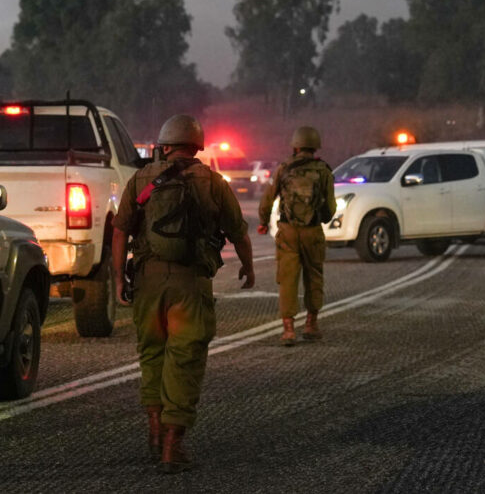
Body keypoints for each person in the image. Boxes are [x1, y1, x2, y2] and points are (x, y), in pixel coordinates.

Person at [112, 114, 255, 474]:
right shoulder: (213, 182)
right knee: (185, 358)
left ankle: (154, 431)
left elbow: (119, 231)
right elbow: (238, 231)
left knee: (152, 354)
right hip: (190, 284)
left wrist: (118, 279)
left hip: (148, 281)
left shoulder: (141, 179)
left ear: (163, 145)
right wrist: (248, 266)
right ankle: (172, 447)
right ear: (197, 146)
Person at [257, 126, 335, 346]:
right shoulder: (324, 171)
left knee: (287, 279)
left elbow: (267, 200)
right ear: (315, 146)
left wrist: (263, 223)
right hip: (312, 231)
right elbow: (330, 207)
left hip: (288, 232)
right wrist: (320, 218)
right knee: (314, 277)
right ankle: (311, 324)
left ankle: (288, 329)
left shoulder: (284, 169)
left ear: (296, 146)